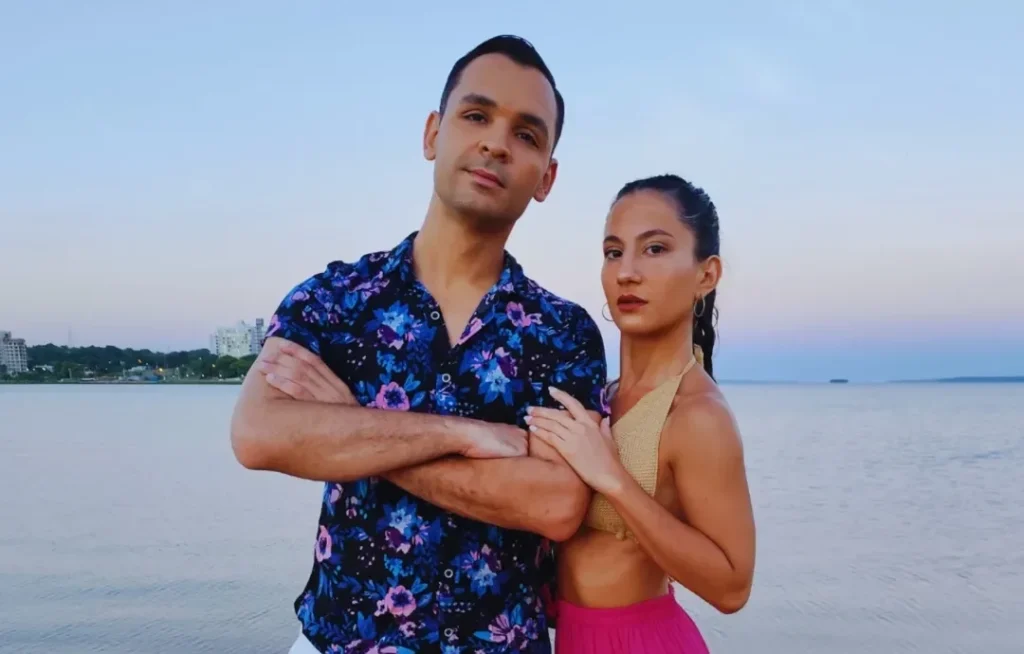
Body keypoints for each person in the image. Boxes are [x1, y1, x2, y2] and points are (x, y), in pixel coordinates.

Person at [230, 35, 608, 653]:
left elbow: (556, 503)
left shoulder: (562, 333)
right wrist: (463, 435)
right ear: (433, 133)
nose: (496, 143)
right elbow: (258, 434)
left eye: (526, 134)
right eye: (476, 116)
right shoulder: (337, 298)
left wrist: (355, 427)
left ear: (547, 177)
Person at [525, 174, 756, 653]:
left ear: (706, 275)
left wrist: (613, 479)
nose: (626, 272)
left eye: (654, 249)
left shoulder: (696, 415)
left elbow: (733, 587)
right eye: (614, 252)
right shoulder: (600, 395)